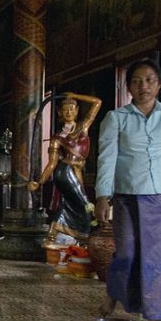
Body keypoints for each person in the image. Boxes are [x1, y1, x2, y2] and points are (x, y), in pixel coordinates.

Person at [94, 58, 161, 321]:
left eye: (150, 80)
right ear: (128, 87)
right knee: (126, 251)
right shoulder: (116, 118)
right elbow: (107, 159)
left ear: (160, 84)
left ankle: (158, 315)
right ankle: (113, 294)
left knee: (160, 256)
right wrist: (103, 195)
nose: (144, 86)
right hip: (127, 195)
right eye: (137, 81)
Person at [28, 92, 102, 245]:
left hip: (77, 172)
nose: (69, 112)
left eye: (72, 108)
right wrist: (40, 182)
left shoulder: (83, 127)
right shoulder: (57, 138)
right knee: (85, 206)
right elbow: (52, 163)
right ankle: (85, 240)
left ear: (77, 110)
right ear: (60, 113)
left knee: (68, 204)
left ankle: (52, 235)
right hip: (64, 171)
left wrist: (76, 95)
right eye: (65, 109)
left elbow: (97, 102)